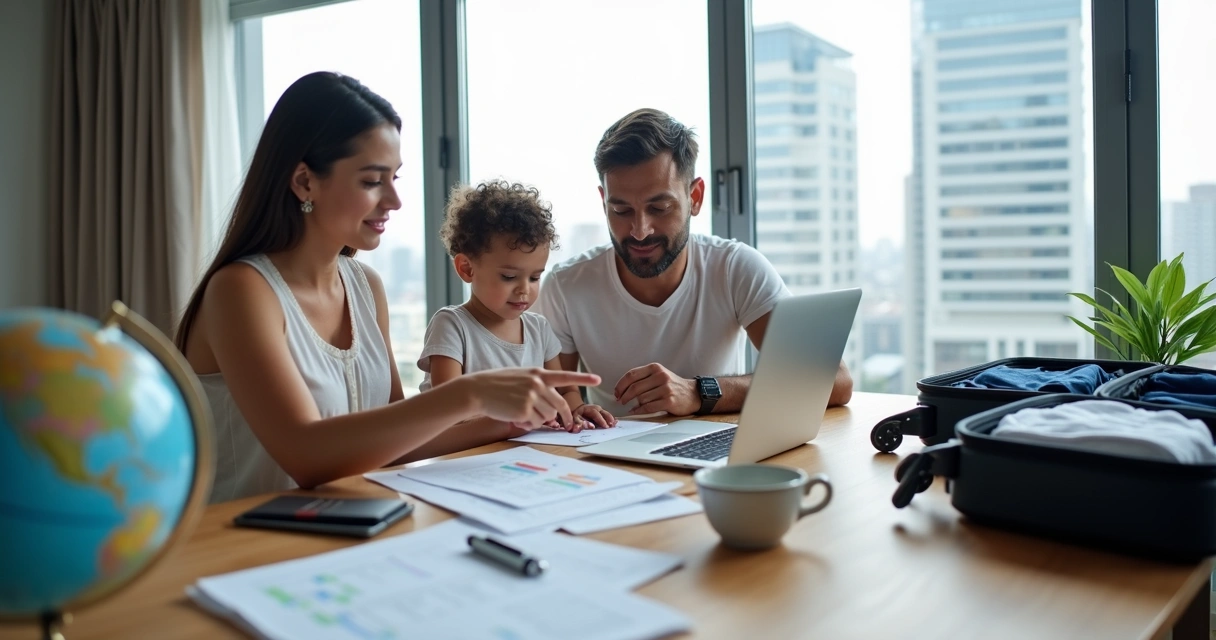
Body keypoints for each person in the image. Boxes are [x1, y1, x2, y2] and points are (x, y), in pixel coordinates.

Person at [175, 72, 598, 502]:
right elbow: (304, 456)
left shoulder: (364, 286)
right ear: (305, 182)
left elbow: (396, 444)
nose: (394, 201)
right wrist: (470, 395)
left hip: (350, 529)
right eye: (372, 180)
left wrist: (520, 419)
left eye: (394, 178)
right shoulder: (241, 291)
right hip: (243, 547)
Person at [534, 108, 852, 418]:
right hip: (608, 462)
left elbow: (836, 381)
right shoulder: (565, 286)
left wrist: (700, 393)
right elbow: (553, 395)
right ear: (604, 202)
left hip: (715, 459)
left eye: (659, 207)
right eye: (621, 211)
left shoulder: (735, 268)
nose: (640, 231)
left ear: (695, 197)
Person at [417, 180, 616, 432]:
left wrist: (576, 409)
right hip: (458, 450)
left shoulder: (539, 329)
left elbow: (565, 389)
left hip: (514, 452)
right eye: (509, 277)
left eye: (535, 277)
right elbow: (449, 406)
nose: (525, 289)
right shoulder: (452, 325)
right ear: (467, 268)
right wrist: (518, 417)